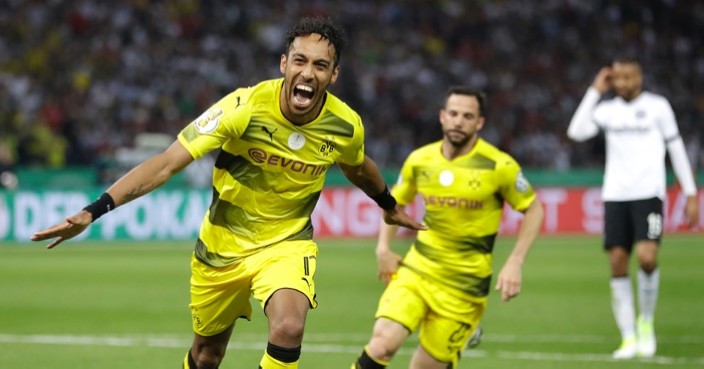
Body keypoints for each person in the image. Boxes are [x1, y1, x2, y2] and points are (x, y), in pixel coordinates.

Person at [31, 16, 426, 369]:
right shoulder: (245, 107)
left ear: (334, 74)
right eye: (300, 61)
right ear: (284, 64)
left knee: (289, 327)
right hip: (221, 249)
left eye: (321, 65)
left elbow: (358, 165)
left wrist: (388, 204)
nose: (308, 73)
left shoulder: (345, 125)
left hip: (286, 243)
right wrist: (94, 210)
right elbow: (168, 162)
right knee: (207, 356)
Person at [351, 86, 545, 369]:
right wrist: (383, 247)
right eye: (453, 114)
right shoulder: (420, 160)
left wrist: (515, 261)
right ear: (442, 116)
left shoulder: (499, 166)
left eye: (468, 116)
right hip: (418, 270)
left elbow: (534, 209)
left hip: (464, 287)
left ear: (479, 123)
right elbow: (395, 204)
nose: (458, 121)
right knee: (382, 343)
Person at [567, 56, 700, 359]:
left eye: (629, 77)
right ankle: (628, 336)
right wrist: (594, 90)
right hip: (616, 194)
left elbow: (676, 147)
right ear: (611, 80)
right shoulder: (607, 110)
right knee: (616, 260)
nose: (623, 83)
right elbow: (576, 132)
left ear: (640, 77)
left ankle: (646, 323)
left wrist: (690, 193)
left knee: (647, 257)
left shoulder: (658, 106)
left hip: (649, 193)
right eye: (618, 78)